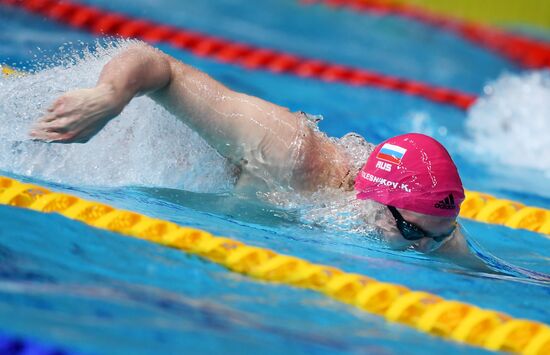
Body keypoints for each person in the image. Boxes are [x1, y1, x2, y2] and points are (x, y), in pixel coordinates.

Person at [29, 42, 490, 271]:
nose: (424, 250)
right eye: (412, 233)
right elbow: (156, 65)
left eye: (438, 236)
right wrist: (108, 97)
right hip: (71, 143)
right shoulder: (287, 151)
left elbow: (478, 267)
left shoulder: (422, 221)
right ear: (372, 200)